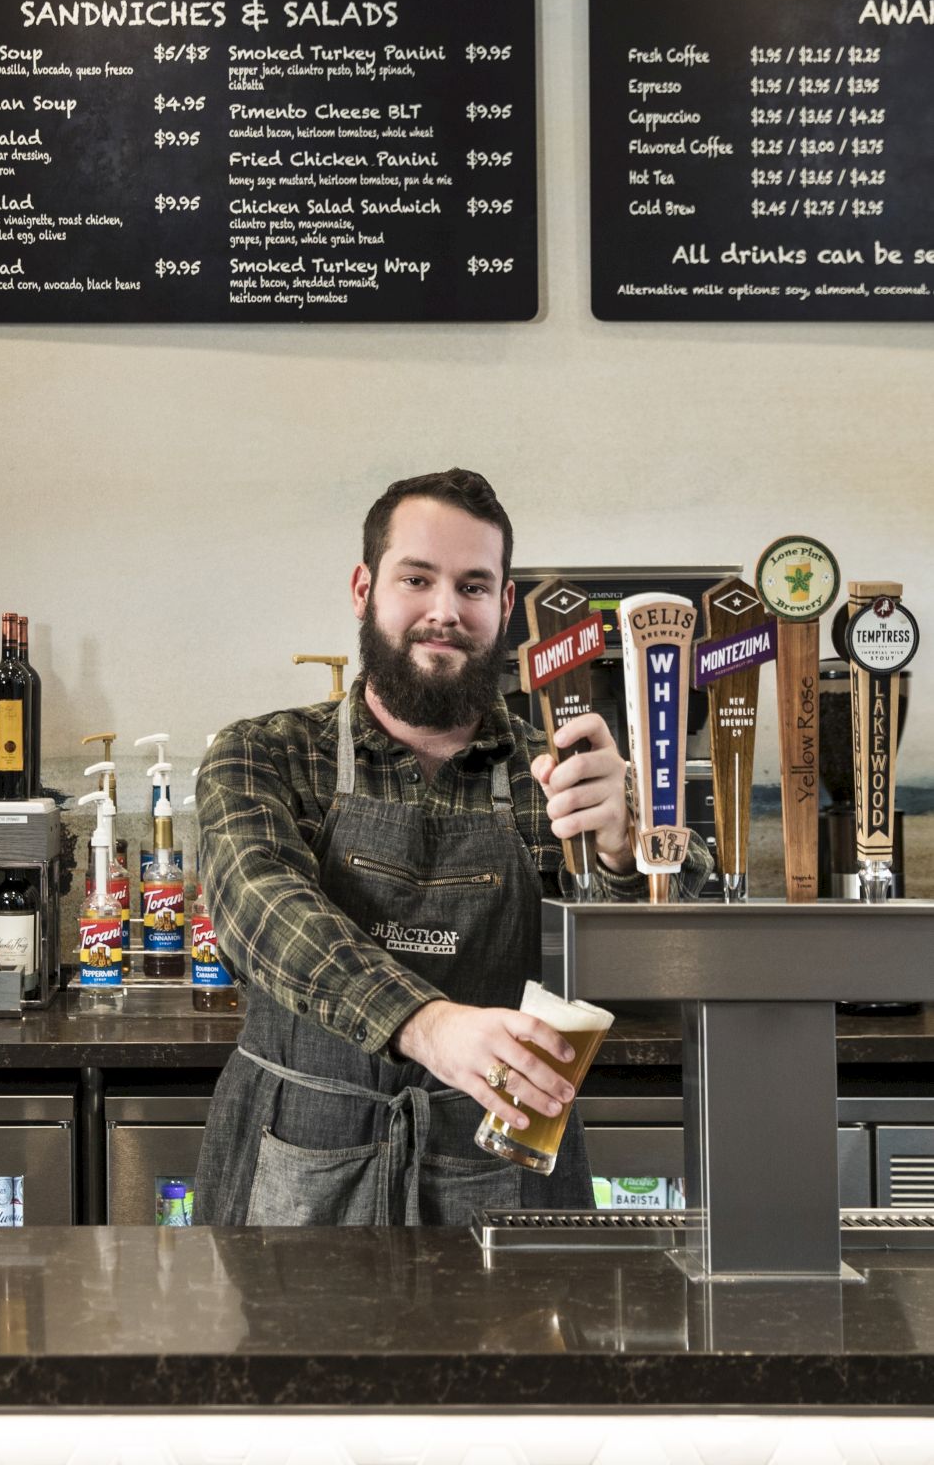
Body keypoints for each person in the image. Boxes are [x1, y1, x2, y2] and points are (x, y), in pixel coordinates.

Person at [192, 469, 711, 1226]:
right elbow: (262, 909)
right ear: (363, 587)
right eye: (417, 579)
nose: (444, 612)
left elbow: (670, 975)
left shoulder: (556, 779)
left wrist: (629, 856)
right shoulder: (265, 755)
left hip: (507, 1174)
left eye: (472, 586)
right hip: (295, 1165)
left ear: (504, 606)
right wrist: (431, 1026)